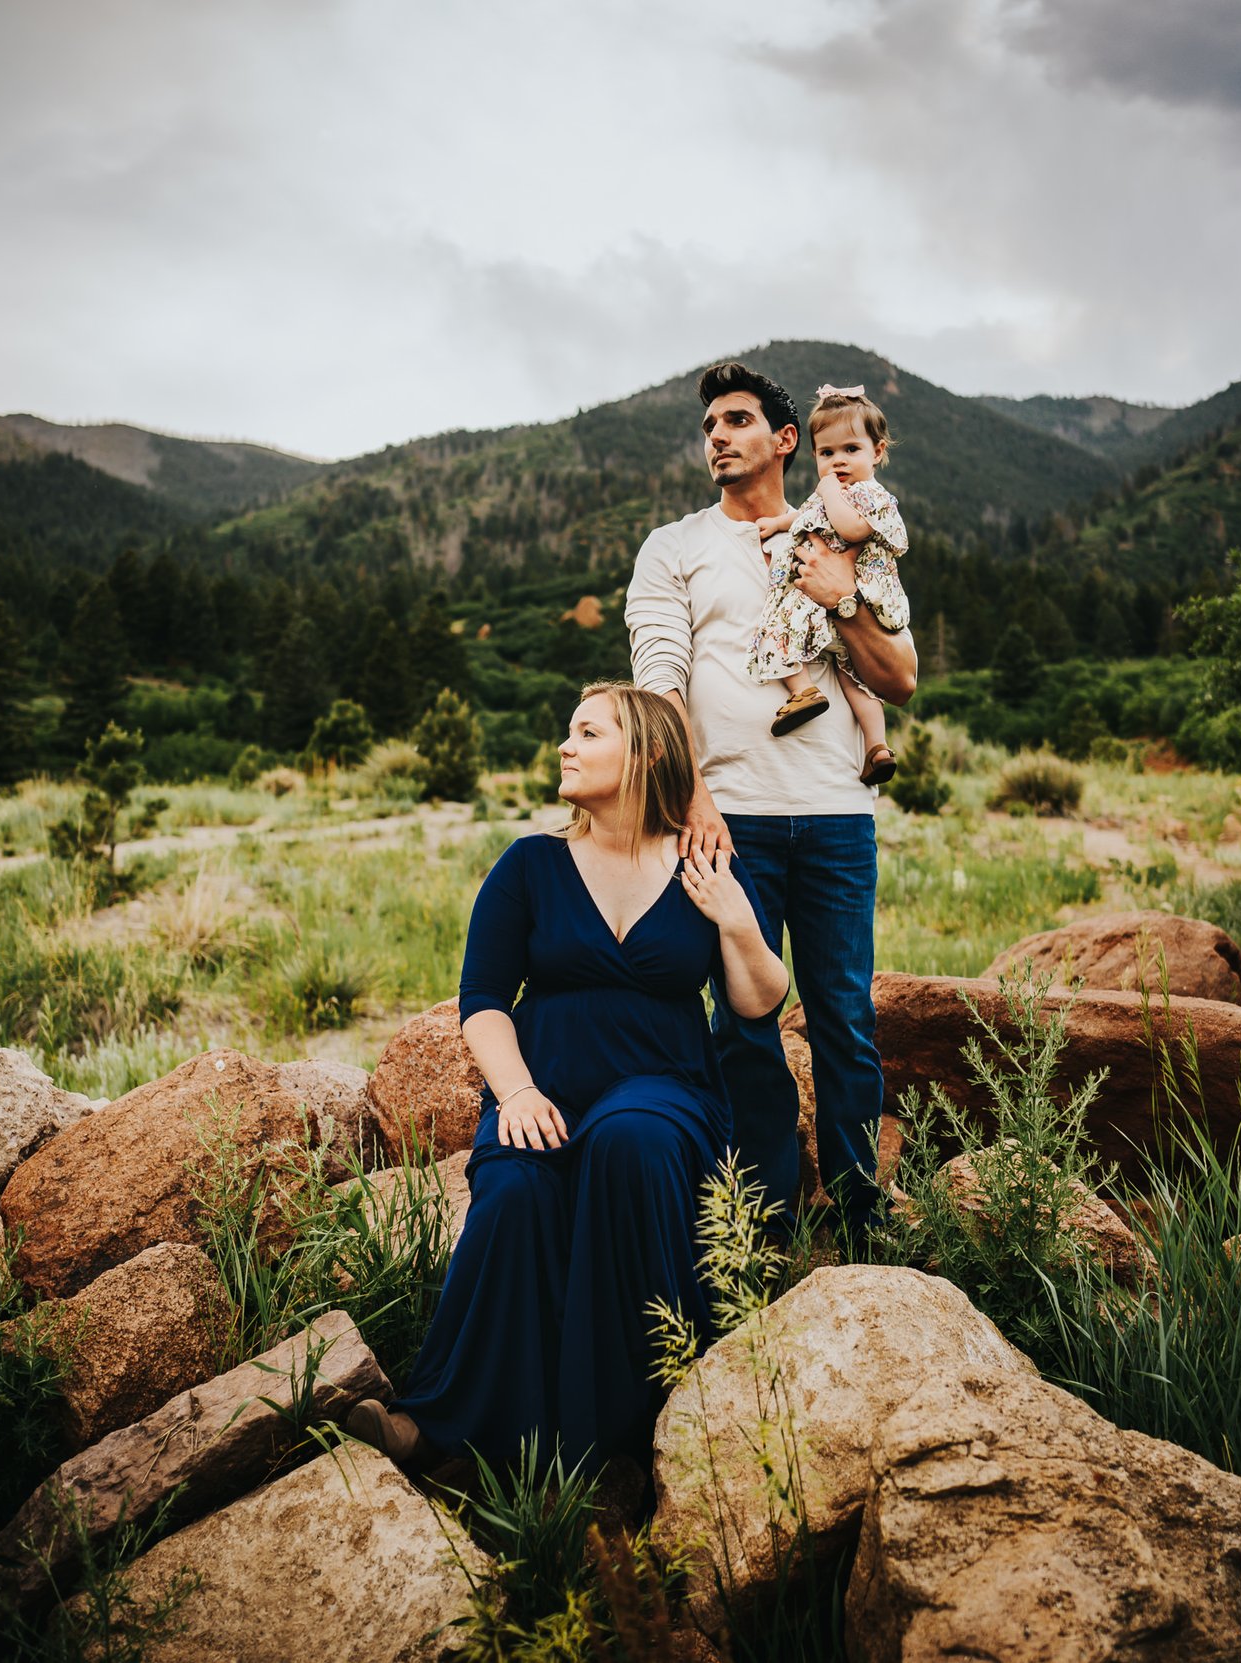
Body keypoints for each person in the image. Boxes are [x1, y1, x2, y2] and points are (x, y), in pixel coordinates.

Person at [344, 682, 788, 1474]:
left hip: (668, 1088)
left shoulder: (703, 863)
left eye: (588, 732)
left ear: (648, 753)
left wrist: (737, 918)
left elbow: (756, 999)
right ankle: (439, 1428)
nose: (565, 745)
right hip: (542, 1088)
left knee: (631, 1141)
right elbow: (482, 999)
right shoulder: (530, 865)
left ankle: (630, 1432)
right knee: (515, 1195)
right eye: (569, 732)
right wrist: (514, 1092)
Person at [623, 361, 918, 1235]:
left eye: (738, 419)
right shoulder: (673, 548)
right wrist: (692, 799)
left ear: (787, 441)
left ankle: (861, 1210)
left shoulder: (845, 530)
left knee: (844, 1018)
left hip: (836, 816)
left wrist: (843, 598)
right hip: (730, 820)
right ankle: (766, 1217)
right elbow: (660, 680)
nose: (716, 434)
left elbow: (899, 678)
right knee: (745, 1022)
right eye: (710, 422)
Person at [746, 385, 912, 785]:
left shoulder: (870, 495)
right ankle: (877, 747)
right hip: (838, 601)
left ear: (878, 451)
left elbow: (850, 527)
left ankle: (801, 690)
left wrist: (830, 490)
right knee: (850, 673)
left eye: (850, 450)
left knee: (777, 629)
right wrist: (780, 523)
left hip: (852, 595)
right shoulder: (831, 494)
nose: (838, 461)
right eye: (827, 453)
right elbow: (807, 517)